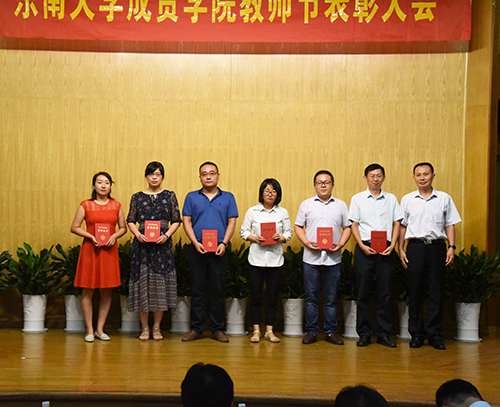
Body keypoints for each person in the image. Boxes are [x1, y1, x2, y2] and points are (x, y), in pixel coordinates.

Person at [399, 162, 461, 350]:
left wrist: (451, 247)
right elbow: (402, 226)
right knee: (415, 292)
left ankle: (435, 335)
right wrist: (400, 249)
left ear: (433, 175)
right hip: (415, 248)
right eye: (418, 175)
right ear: (414, 177)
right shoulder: (407, 199)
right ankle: (416, 335)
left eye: (425, 174)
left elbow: (450, 224)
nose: (422, 178)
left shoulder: (444, 198)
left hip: (437, 248)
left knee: (437, 292)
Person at [181, 162, 238, 342]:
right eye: (204, 174)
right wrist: (195, 242)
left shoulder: (228, 197)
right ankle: (196, 329)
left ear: (218, 176)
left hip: (220, 249)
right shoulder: (192, 197)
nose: (208, 176)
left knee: (218, 290)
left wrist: (224, 243)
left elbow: (232, 221)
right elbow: (186, 220)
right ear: (200, 177)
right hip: (198, 249)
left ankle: (217, 329)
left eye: (212, 173)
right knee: (197, 290)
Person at [348, 164, 403, 348]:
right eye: (372, 176)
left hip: (386, 248)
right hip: (365, 247)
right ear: (365, 178)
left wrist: (393, 245)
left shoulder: (391, 199)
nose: (375, 179)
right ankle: (364, 334)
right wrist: (361, 246)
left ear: (384, 178)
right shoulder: (357, 199)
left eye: (379, 176)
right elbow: (353, 224)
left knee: (384, 292)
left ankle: (383, 334)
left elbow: (397, 223)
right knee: (363, 293)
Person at [295, 170, 351, 345]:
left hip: (333, 260)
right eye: (320, 182)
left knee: (331, 298)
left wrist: (341, 244)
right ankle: (311, 331)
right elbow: (298, 226)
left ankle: (330, 332)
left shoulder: (341, 205)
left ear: (332, 185)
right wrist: (306, 242)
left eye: (327, 182)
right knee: (311, 297)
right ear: (314, 185)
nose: (323, 185)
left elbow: (348, 227)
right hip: (311, 259)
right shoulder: (306, 204)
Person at [127, 161, 181, 341]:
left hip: (162, 246)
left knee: (160, 287)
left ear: (162, 176)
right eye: (151, 174)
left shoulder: (169, 195)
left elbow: (176, 220)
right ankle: (144, 328)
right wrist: (137, 234)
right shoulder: (137, 197)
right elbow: (130, 220)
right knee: (143, 285)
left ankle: (157, 328)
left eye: (158, 174)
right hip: (142, 247)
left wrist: (166, 235)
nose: (154, 177)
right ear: (146, 176)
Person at [71, 172, 127, 342]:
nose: (103, 186)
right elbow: (75, 227)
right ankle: (89, 330)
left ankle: (100, 329)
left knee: (106, 291)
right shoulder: (86, 205)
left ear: (111, 186)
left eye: (107, 183)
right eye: (100, 182)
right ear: (94, 185)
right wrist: (91, 236)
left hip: (109, 251)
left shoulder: (116, 205)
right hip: (90, 250)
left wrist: (115, 236)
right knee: (87, 290)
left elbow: (123, 228)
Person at [240, 178, 293, 343]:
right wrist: (254, 238)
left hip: (275, 261)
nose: (270, 194)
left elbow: (289, 233)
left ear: (278, 194)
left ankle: (269, 330)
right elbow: (243, 232)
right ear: (261, 193)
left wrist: (280, 238)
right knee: (255, 296)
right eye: (267, 191)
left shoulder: (282, 212)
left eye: (273, 191)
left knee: (272, 296)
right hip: (256, 260)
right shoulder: (252, 211)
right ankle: (256, 330)